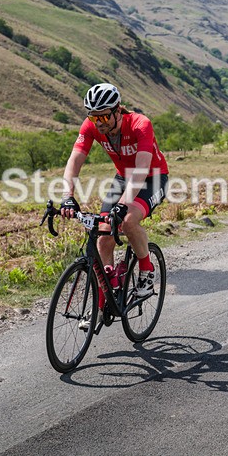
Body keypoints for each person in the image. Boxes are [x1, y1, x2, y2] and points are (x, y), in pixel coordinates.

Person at [59, 83, 169, 300]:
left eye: (104, 117)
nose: (99, 123)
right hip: (123, 178)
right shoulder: (90, 127)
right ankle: (105, 298)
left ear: (118, 110)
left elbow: (141, 169)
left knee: (127, 221)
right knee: (103, 235)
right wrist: (67, 197)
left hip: (152, 177)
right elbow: (75, 160)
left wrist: (123, 205)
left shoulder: (140, 124)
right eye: (94, 117)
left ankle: (147, 271)